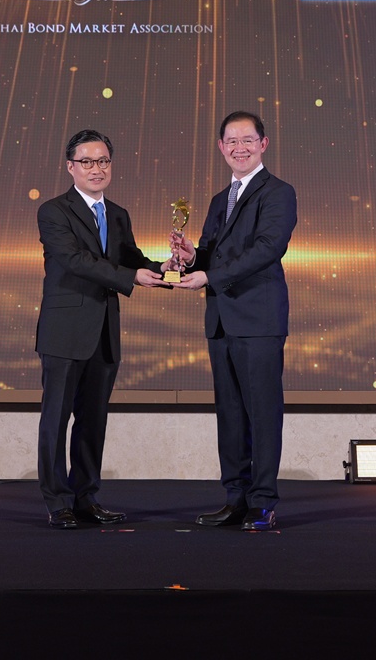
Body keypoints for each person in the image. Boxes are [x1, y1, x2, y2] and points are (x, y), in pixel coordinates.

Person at [168, 111, 296, 531]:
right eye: (232, 141)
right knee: (231, 413)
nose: (240, 148)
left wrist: (210, 276)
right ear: (221, 147)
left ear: (263, 144)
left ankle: (262, 502)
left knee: (262, 412)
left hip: (258, 319)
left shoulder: (278, 193)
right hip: (222, 319)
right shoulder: (219, 199)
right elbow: (211, 253)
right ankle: (235, 499)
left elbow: (267, 249)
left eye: (248, 140)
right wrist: (192, 257)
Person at [36, 129, 166, 528]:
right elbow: (75, 260)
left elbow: (131, 259)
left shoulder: (118, 214)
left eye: (104, 161)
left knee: (93, 421)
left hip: (104, 332)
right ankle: (58, 503)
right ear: (70, 166)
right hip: (64, 331)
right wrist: (131, 277)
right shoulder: (53, 211)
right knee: (56, 420)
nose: (97, 169)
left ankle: (85, 498)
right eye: (87, 162)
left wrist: (167, 267)